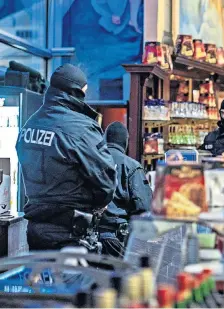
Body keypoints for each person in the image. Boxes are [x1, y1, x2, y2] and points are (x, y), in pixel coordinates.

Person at [16, 64, 117, 251]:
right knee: (72, 279)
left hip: (35, 230)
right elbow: (106, 182)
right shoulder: (81, 128)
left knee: (41, 277)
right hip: (71, 233)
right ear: (75, 92)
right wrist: (99, 204)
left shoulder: (29, 125)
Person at [99, 121, 152, 257]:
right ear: (125, 142)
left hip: (92, 238)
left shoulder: (93, 160)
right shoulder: (131, 166)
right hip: (118, 239)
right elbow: (144, 207)